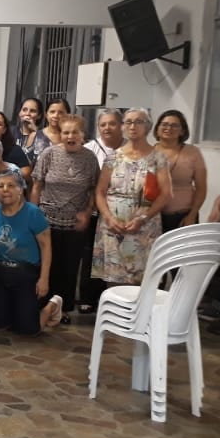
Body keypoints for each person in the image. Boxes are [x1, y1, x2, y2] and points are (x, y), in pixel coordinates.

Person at [92, 108, 172, 287]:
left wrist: (143, 218)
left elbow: (166, 194)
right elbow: (100, 191)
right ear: (122, 126)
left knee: (142, 282)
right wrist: (109, 218)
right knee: (114, 283)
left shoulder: (158, 158)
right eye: (128, 122)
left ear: (148, 127)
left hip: (144, 227)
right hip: (113, 227)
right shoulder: (113, 157)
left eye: (138, 121)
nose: (132, 126)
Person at [30, 114, 99, 314]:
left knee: (69, 269)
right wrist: (32, 214)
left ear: (83, 135)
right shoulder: (49, 154)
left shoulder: (90, 158)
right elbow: (37, 185)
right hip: (46, 220)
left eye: (75, 132)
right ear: (60, 134)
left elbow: (94, 189)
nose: (70, 136)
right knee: (46, 266)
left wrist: (87, 212)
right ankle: (42, 306)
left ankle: (63, 310)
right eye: (66, 132)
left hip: (75, 223)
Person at [0, 172, 62, 334]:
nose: (5, 189)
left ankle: (52, 305)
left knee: (28, 330)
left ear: (20, 190)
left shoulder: (33, 212)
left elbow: (46, 246)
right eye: (0, 186)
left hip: (26, 273)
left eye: (11, 185)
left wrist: (44, 279)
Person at [78, 108, 124, 312]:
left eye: (112, 123)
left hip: (120, 213)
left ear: (120, 126)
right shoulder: (89, 149)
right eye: (103, 124)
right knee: (92, 254)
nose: (107, 128)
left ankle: (116, 298)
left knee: (118, 256)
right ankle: (89, 298)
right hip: (94, 209)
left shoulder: (129, 148)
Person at [153, 109, 207, 231]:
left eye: (174, 125)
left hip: (183, 216)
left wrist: (192, 215)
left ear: (182, 131)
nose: (169, 128)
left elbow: (201, 188)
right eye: (164, 124)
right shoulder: (148, 152)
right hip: (153, 216)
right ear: (157, 128)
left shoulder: (193, 152)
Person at [14, 97, 44, 165]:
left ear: (39, 116)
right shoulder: (11, 132)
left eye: (32, 111)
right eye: (24, 110)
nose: (27, 113)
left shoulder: (42, 136)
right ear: (19, 113)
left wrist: (36, 131)